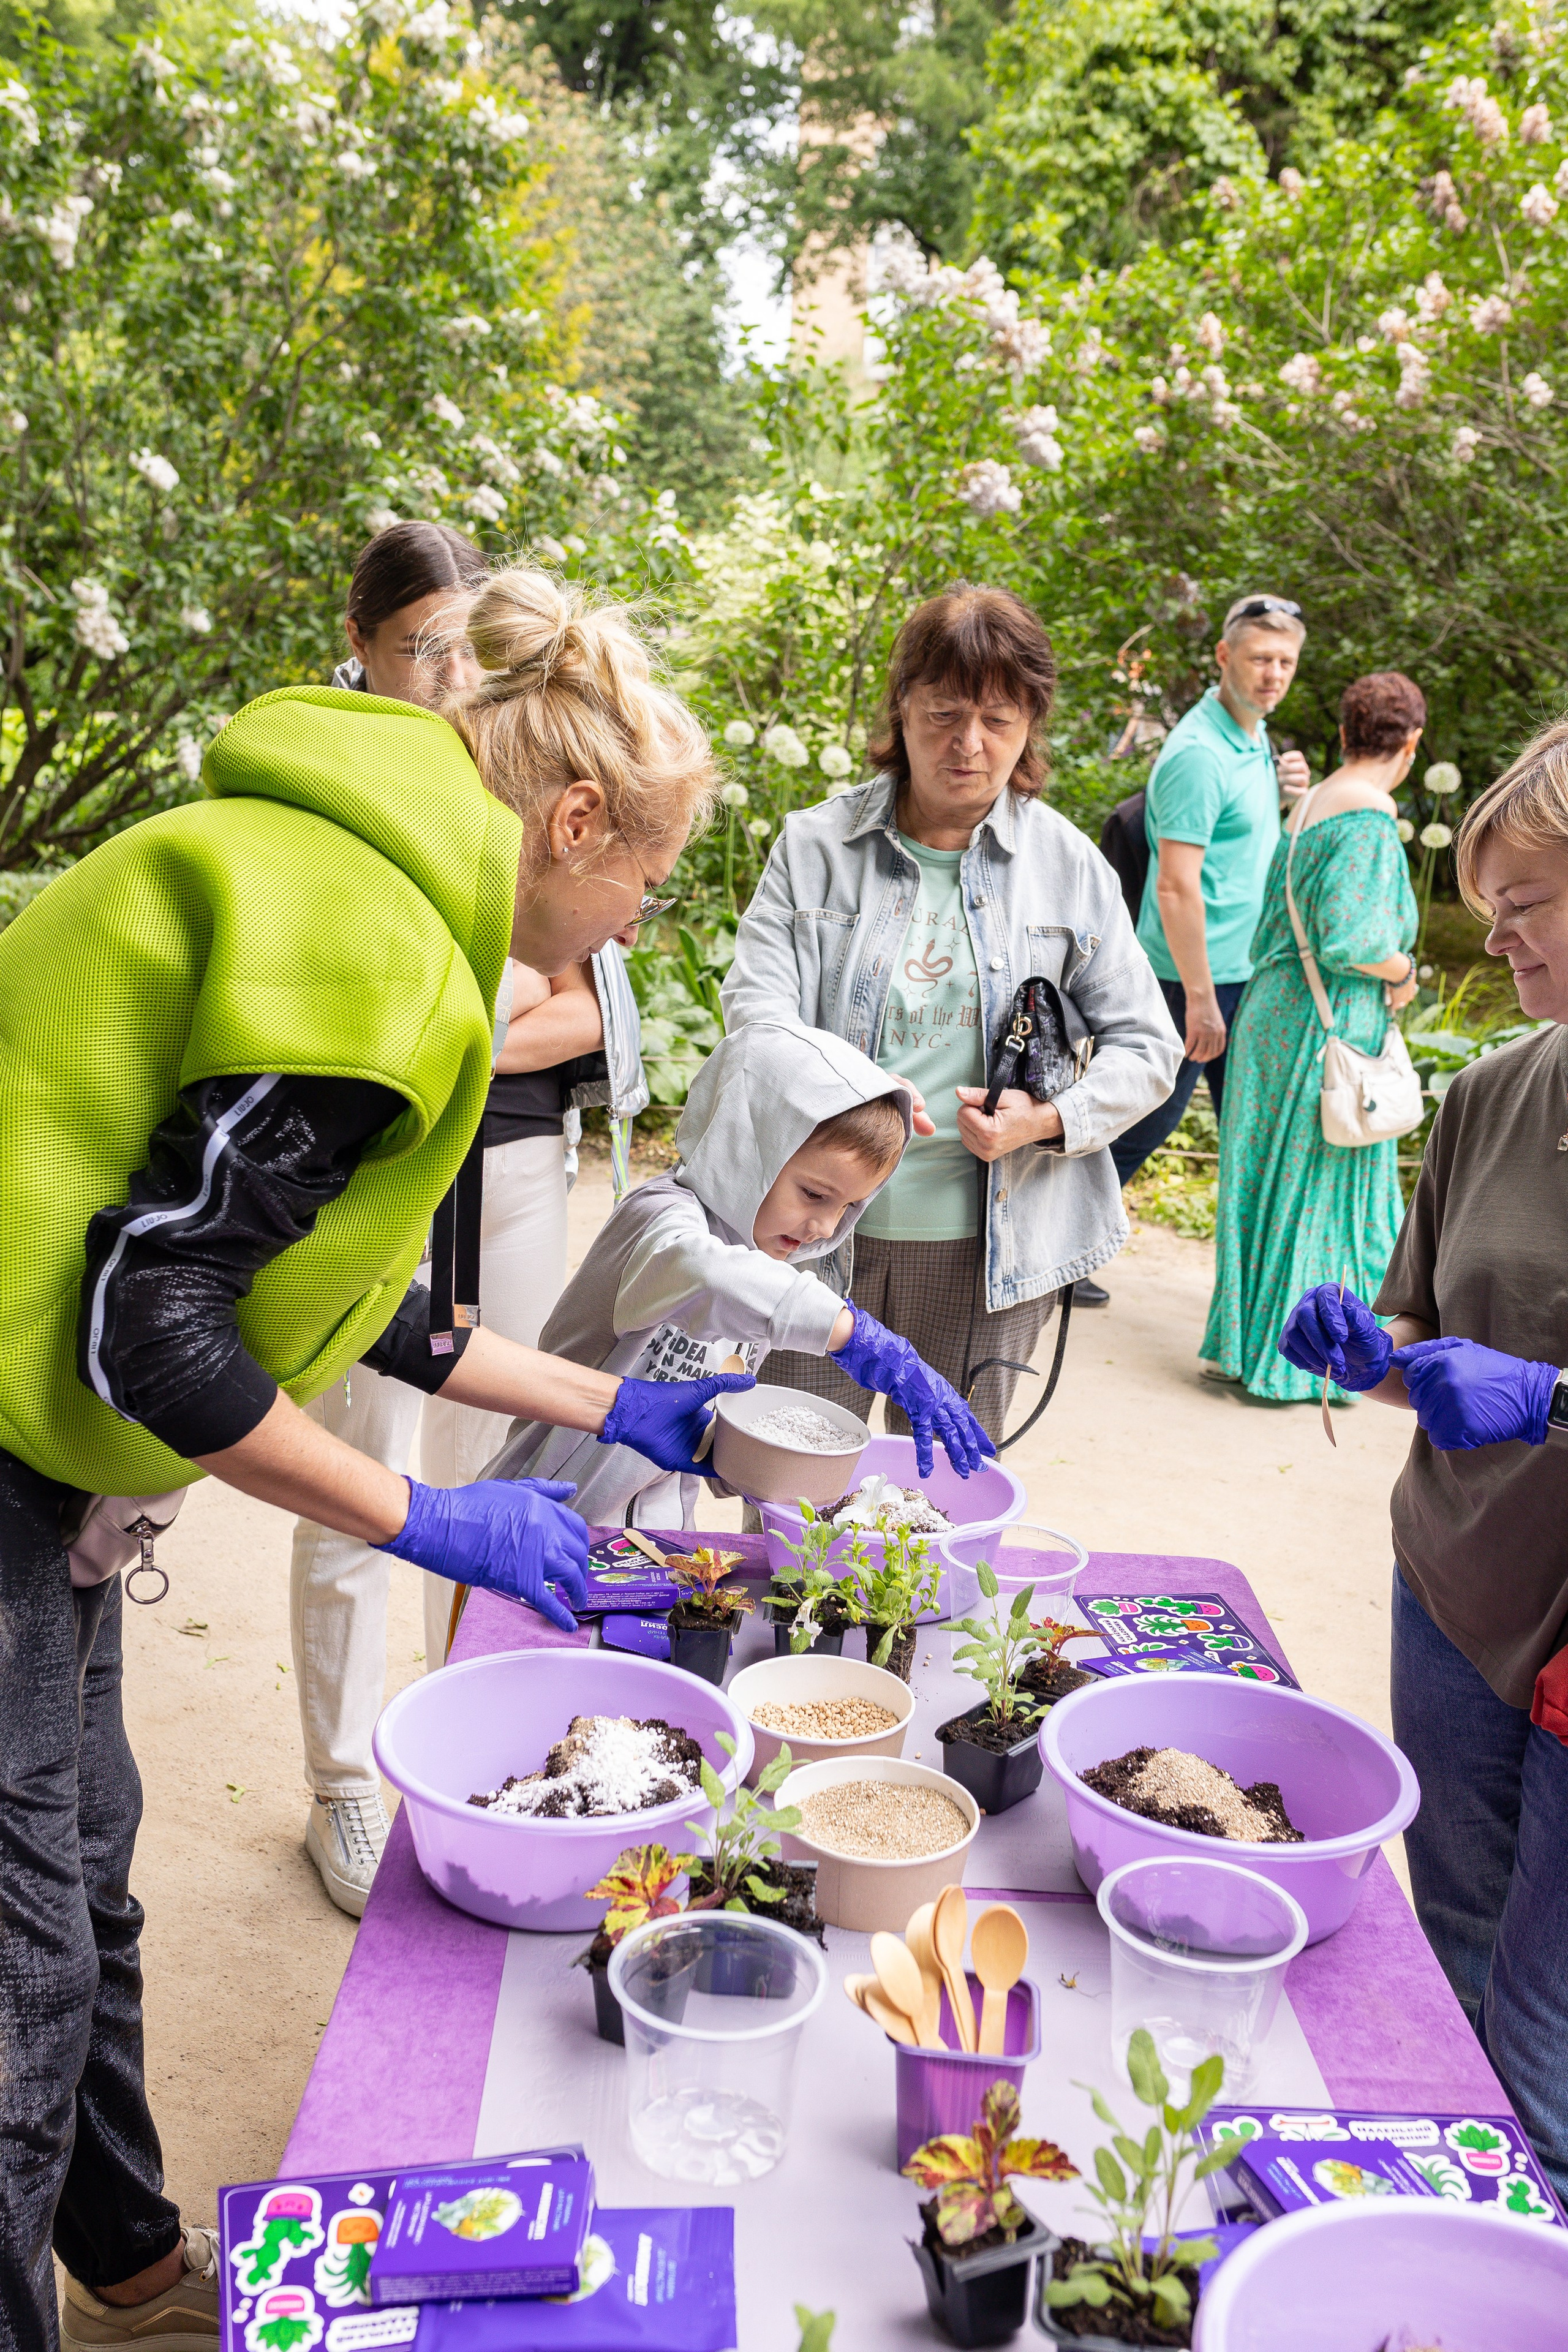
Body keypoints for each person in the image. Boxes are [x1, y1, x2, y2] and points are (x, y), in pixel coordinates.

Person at [0, 564, 747, 2352]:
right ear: (572, 819)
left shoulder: (349, 875)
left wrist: (598, 1407)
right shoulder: (384, 956)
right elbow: (148, 1322)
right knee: (16, 1982)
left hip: (41, 1448)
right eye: (647, 870)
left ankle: (120, 2262)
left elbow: (352, 1296)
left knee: (85, 1851)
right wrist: (424, 1515)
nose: (644, 912)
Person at [292, 522, 614, 1917]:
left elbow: (589, 1000)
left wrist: (497, 1016)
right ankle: (342, 1785)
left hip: (515, 1158)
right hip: (369, 1174)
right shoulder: (331, 797)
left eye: (458, 643)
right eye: (417, 643)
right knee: (357, 1463)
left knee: (492, 1460)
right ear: (361, 644)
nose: (442, 671)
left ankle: (465, 1741)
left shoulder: (531, 775)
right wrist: (502, 1010)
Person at [1276, 713, 1568, 2200]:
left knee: (1544, 2025)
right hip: (1452, 1593)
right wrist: (1364, 1353)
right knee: (1450, 1930)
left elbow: (1529, 1388)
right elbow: (1422, 1341)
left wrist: (1552, 1397)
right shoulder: (1490, 1094)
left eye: (1526, 907)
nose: (1500, 942)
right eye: (1487, 912)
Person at [721, 584, 1180, 1446]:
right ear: (901, 711)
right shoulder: (814, 847)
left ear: (1030, 726)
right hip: (812, 1242)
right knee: (788, 1495)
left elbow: (1147, 1046)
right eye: (943, 714)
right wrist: (847, 1090)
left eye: (999, 720)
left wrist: (1045, 1120)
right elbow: (755, 1015)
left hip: (986, 1253)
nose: (969, 744)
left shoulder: (1068, 866)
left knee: (944, 1517)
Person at [490, 1019, 991, 1526]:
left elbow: (705, 1439)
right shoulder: (661, 1220)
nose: (824, 1226)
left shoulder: (766, 1257)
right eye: (814, 1194)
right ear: (746, 1145)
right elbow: (702, 1272)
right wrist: (856, 1336)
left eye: (849, 1206)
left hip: (649, 1535)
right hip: (539, 1513)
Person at [1200, 672, 1423, 1398]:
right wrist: (1403, 966)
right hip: (1324, 1023)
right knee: (1320, 1185)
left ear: (1342, 734)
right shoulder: (1368, 814)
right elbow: (1350, 938)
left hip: (1275, 1010)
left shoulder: (1312, 804)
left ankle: (1251, 1345)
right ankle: (1312, 1363)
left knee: (1268, 1182)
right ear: (1411, 745)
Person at [1109, 595, 1313, 1207]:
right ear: (1225, 656)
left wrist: (1276, 797)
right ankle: (1050, 1254)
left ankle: (1248, 1285)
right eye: (1259, 659)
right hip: (1188, 978)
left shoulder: (1251, 737)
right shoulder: (1200, 754)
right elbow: (1175, 884)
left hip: (1240, 971)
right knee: (1142, 1125)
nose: (1273, 674)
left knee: (1246, 1136)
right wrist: (1199, 999)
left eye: (1285, 661)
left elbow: (1228, 844)